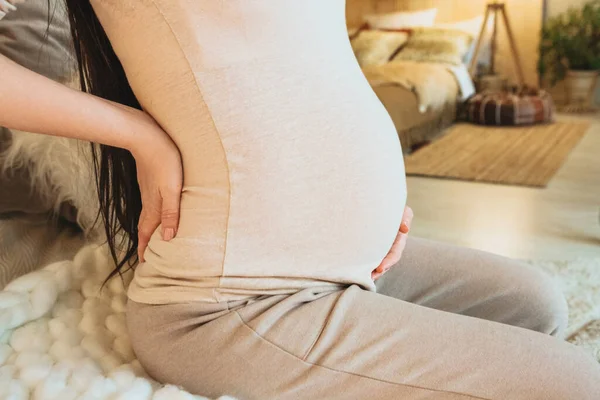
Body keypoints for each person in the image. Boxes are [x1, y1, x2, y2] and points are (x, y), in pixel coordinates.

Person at [1, 0, 599, 398]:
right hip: (232, 304)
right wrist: (136, 133)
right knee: (576, 384)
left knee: (535, 302)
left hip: (346, 265)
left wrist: (364, 203)